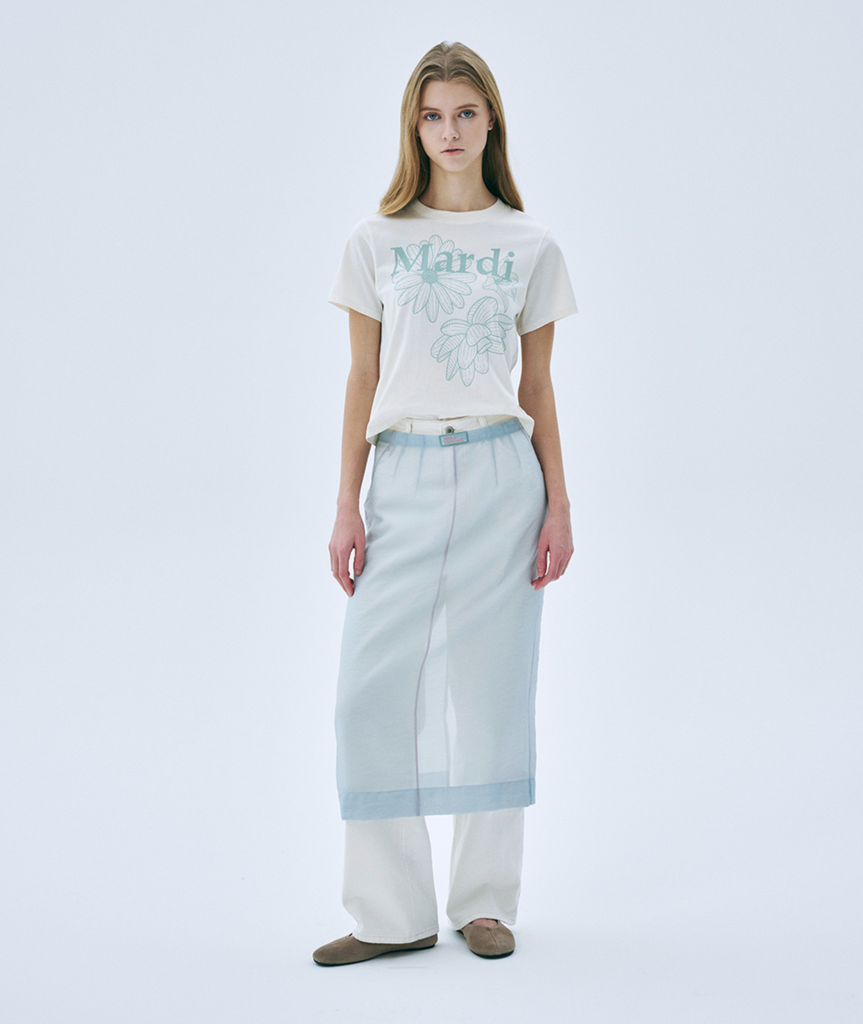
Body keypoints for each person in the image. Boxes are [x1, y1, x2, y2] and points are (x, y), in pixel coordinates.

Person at [313, 40, 578, 966]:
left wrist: (558, 507)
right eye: (432, 116)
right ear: (413, 127)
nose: (449, 130)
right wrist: (346, 504)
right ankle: (391, 915)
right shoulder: (375, 240)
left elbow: (537, 388)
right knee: (367, 695)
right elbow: (361, 378)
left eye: (465, 112)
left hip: (504, 475)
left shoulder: (529, 244)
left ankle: (485, 903)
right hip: (405, 475)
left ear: (490, 119)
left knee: (492, 690)